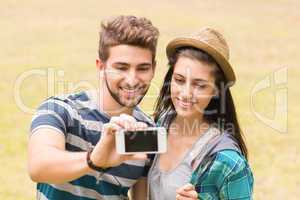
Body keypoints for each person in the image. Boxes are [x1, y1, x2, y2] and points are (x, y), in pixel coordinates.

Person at [28, 15, 159, 200]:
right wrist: (94, 160)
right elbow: (38, 167)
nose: (132, 79)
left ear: (153, 69)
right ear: (101, 66)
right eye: (121, 67)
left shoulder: (147, 130)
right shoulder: (60, 110)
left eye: (143, 68)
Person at [148, 27, 254, 200]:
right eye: (179, 80)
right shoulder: (161, 123)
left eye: (199, 85)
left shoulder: (228, 161)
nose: (185, 93)